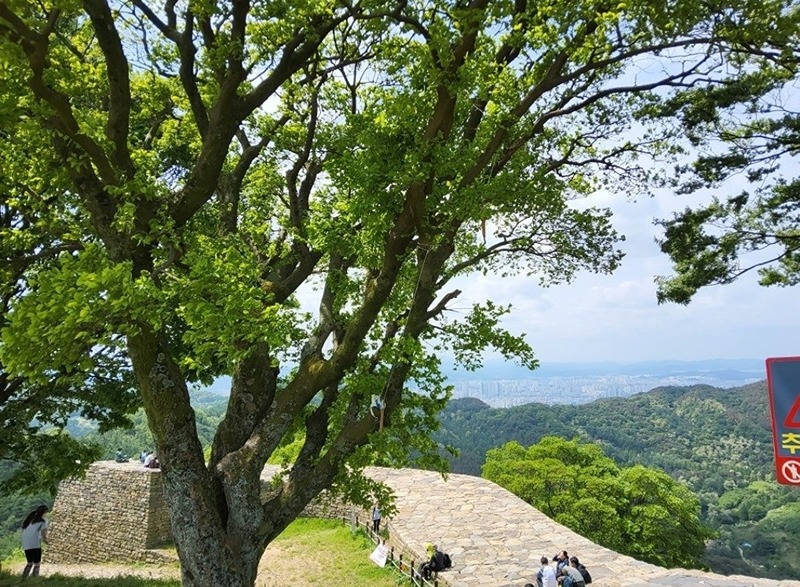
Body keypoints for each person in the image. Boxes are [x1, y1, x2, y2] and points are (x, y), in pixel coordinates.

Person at [21, 505, 49, 578]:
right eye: (46, 512)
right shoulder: (42, 521)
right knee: (37, 563)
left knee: (29, 563)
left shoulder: (30, 518)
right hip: (34, 543)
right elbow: (44, 532)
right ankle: (35, 578)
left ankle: (23, 578)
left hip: (26, 543)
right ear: (43, 512)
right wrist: (46, 541)